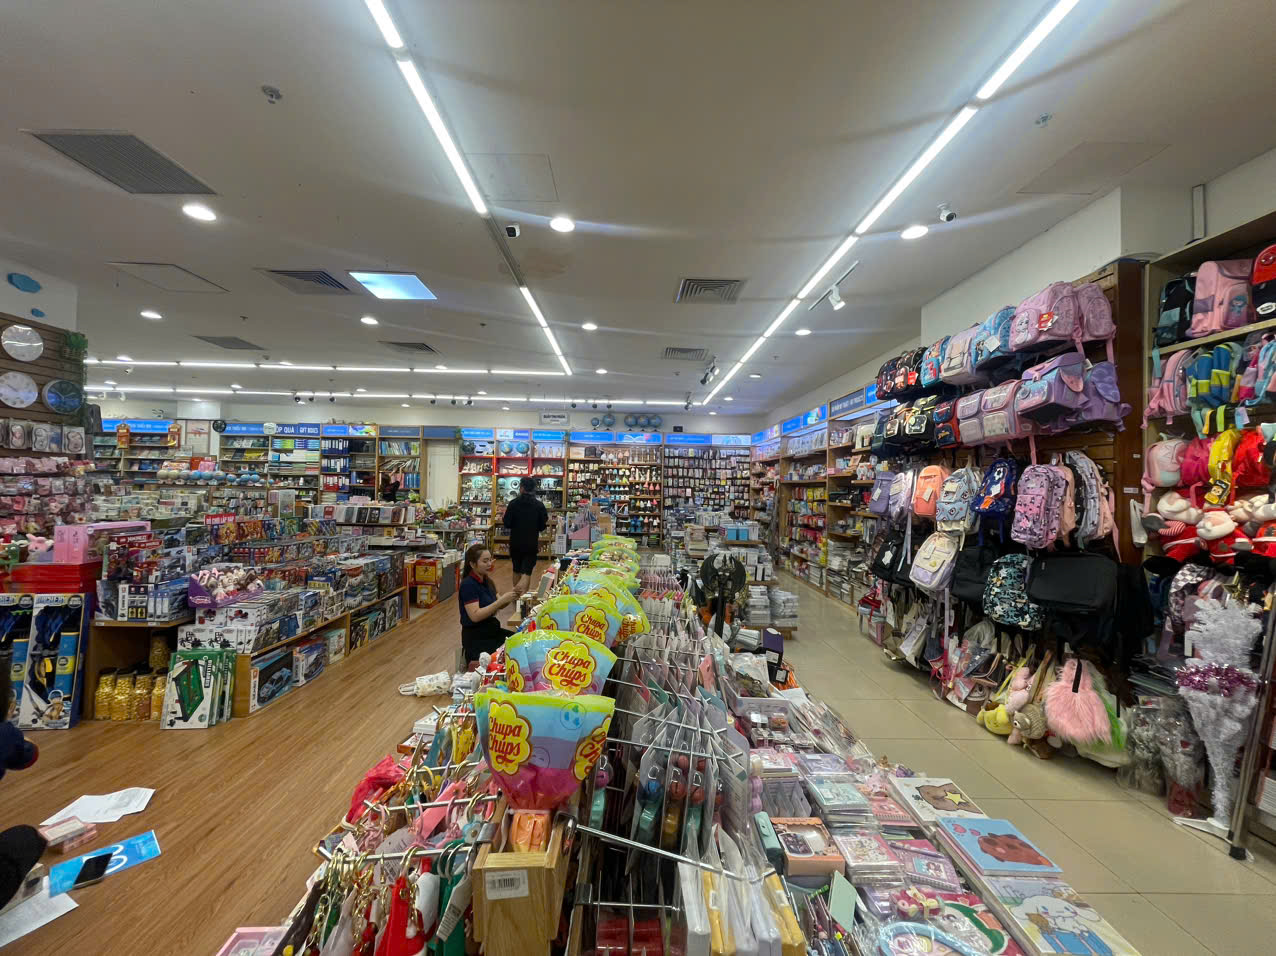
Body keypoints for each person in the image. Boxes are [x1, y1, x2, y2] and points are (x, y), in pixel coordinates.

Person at [458, 544, 517, 665]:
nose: (489, 564)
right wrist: (501, 601)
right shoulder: (468, 585)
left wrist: (512, 595)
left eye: (490, 560)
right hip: (477, 639)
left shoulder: (487, 580)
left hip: (491, 631)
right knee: (515, 648)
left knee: (519, 640)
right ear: (472, 564)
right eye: (485, 561)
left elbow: (500, 604)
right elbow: (475, 616)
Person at [502, 476, 548, 594]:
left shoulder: (513, 504)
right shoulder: (539, 505)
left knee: (516, 569)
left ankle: (515, 596)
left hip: (515, 542)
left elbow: (507, 523)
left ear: (521, 488)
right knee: (527, 572)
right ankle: (522, 598)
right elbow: (542, 526)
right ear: (533, 489)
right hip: (531, 542)